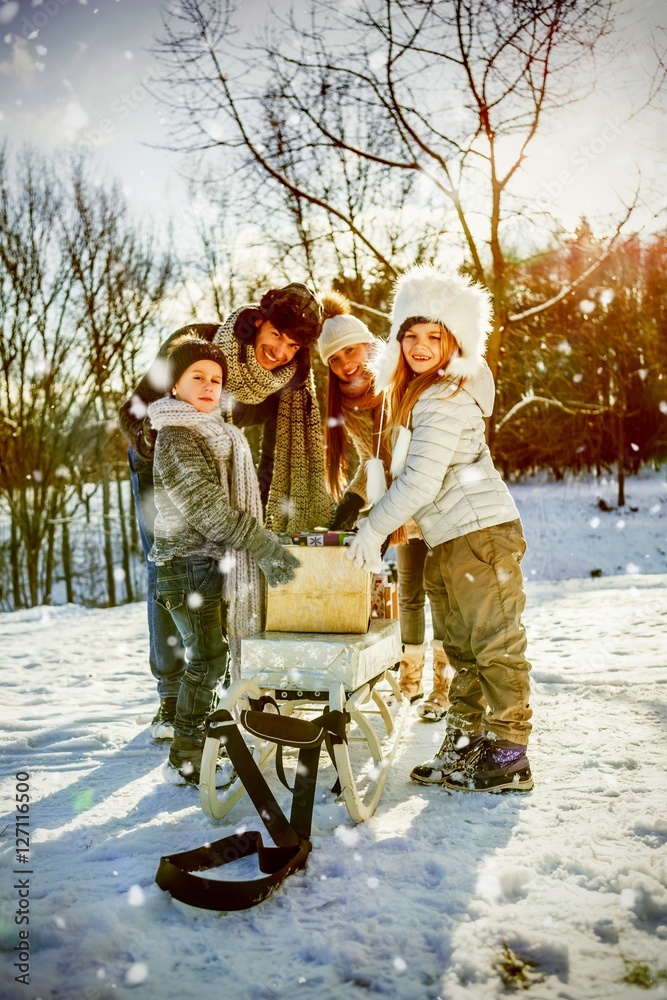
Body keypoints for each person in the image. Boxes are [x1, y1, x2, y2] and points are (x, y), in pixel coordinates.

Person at [347, 266, 533, 792]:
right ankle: (466, 744)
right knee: (462, 647)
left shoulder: (445, 397)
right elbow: (407, 477)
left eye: (435, 336)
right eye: (411, 335)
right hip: (447, 538)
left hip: (481, 534)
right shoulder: (415, 396)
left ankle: (510, 753)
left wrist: (374, 532)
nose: (421, 346)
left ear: (453, 342)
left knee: (495, 643)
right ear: (398, 339)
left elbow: (421, 481)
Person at [119, 284, 333, 740]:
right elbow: (134, 411)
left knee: (219, 566)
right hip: (161, 455)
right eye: (276, 335)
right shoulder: (196, 345)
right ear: (258, 321)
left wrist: (257, 513)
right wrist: (158, 443)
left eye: (294, 346)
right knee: (170, 567)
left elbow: (274, 458)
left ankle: (208, 679)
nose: (280, 352)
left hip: (222, 468)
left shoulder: (285, 385)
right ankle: (171, 695)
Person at [147, 335, 300, 784]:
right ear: (175, 386)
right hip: (186, 564)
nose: (209, 385)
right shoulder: (175, 437)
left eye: (216, 379)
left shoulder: (218, 432)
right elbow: (207, 508)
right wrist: (262, 544)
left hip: (209, 562)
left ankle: (211, 739)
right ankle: (187, 754)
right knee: (208, 661)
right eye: (197, 377)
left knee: (218, 658)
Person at [317, 292, 451, 719]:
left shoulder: (405, 379)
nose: (345, 364)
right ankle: (411, 681)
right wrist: (352, 502)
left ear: (370, 346)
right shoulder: (350, 408)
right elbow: (373, 463)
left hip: (442, 498)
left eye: (350, 351)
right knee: (410, 594)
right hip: (402, 510)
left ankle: (445, 686)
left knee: (443, 591)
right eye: (334, 360)